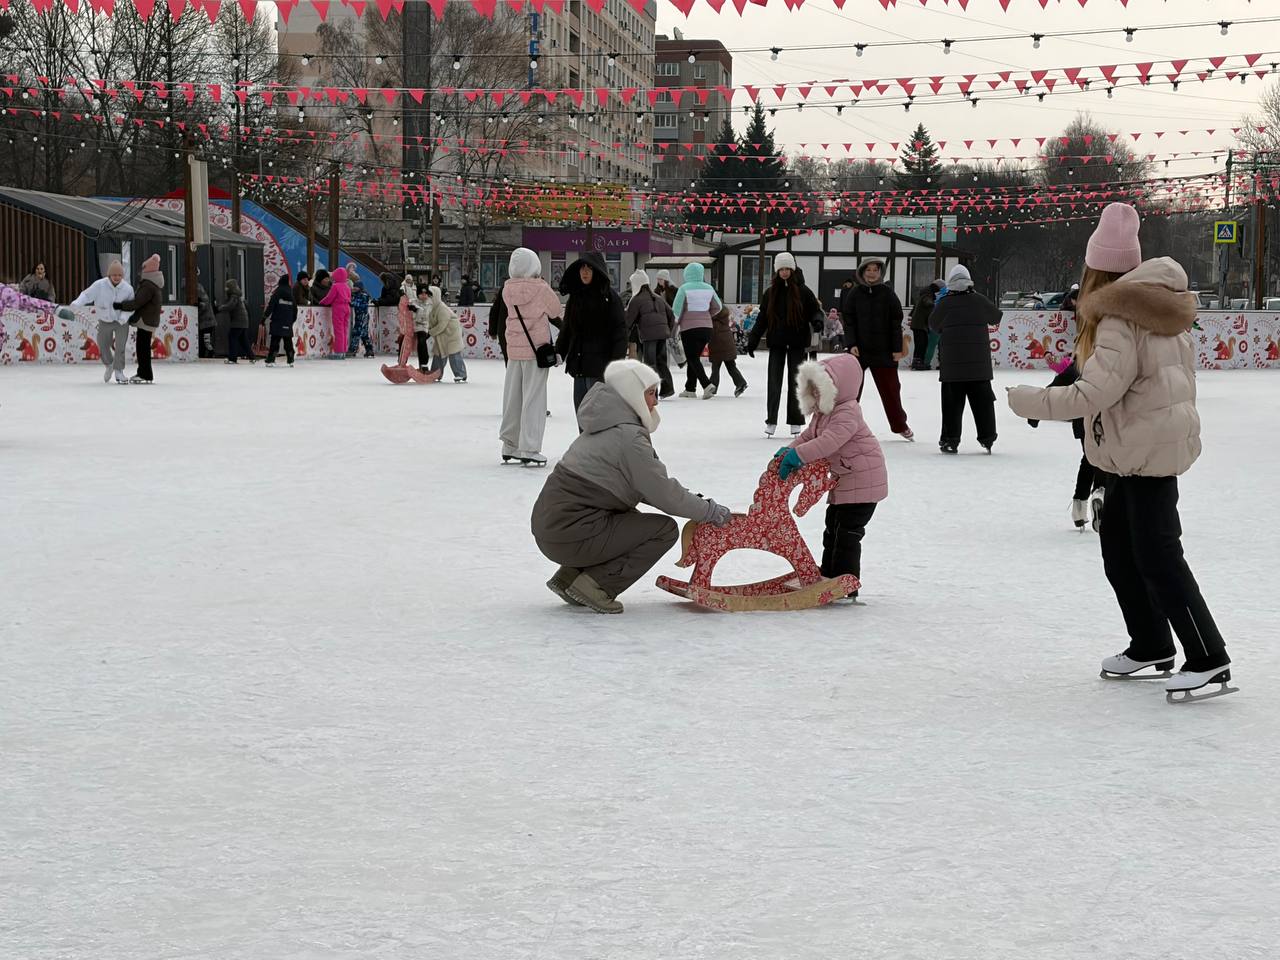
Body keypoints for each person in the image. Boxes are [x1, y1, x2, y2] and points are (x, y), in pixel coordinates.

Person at [1007, 202, 1232, 700]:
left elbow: (1094, 393)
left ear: (1096, 269)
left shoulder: (1119, 318)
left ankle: (1208, 657)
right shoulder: (1156, 307)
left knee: (1158, 557)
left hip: (1144, 451)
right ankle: (1151, 643)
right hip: (1135, 449)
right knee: (1121, 554)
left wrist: (1031, 401)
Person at [531, 359, 733, 614]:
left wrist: (696, 503)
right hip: (569, 534)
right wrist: (708, 511)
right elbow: (662, 493)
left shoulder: (605, 425)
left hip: (554, 529)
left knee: (629, 520)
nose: (656, 401)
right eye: (650, 393)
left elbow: (645, 486)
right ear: (631, 395)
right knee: (662, 530)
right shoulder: (629, 437)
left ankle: (569, 578)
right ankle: (595, 586)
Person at [773, 352, 888, 600]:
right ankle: (829, 576)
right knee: (832, 529)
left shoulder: (848, 412)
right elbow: (808, 436)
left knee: (847, 534)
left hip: (863, 482)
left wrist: (798, 457)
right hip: (845, 481)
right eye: (811, 388)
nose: (814, 394)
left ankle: (845, 584)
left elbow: (829, 442)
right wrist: (789, 450)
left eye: (819, 389)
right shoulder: (824, 413)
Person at [1026, 354, 1110, 530]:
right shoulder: (1112, 364)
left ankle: (1079, 508)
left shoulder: (1077, 367)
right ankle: (1100, 492)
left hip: (1084, 423)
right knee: (1104, 458)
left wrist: (1035, 413)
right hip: (1107, 421)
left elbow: (1052, 391)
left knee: (1089, 459)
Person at [746, 252, 820, 438]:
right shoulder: (770, 293)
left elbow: (815, 311)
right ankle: (771, 420)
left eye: (788, 269)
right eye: (781, 269)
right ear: (777, 271)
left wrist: (818, 321)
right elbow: (762, 318)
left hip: (797, 343)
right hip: (777, 343)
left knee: (797, 383)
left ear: (793, 270)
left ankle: (795, 421)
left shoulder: (803, 291)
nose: (785, 272)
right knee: (774, 383)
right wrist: (753, 339)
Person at [930, 264, 1001, 454]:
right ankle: (988, 438)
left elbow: (933, 325)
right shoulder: (979, 300)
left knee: (952, 406)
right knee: (983, 404)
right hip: (979, 368)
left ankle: (950, 440)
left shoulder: (945, 303)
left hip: (952, 368)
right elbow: (996, 316)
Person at [500, 247, 561, 466]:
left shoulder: (507, 289)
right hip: (536, 351)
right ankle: (530, 447)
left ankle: (509, 444)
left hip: (514, 349)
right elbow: (556, 311)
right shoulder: (541, 288)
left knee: (513, 397)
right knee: (534, 398)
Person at [841, 256, 913, 440]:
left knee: (891, 390)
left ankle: (900, 425)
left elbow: (896, 321)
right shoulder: (855, 294)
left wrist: (897, 348)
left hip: (884, 351)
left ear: (880, 273)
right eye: (868, 270)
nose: (872, 273)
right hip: (860, 351)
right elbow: (848, 321)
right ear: (862, 272)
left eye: (875, 270)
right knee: (851, 392)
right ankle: (847, 426)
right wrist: (851, 344)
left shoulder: (888, 293)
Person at [556, 251, 627, 413]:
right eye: (582, 268)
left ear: (598, 271)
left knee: (599, 418)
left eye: (590, 268)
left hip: (600, 369)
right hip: (579, 368)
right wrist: (559, 351)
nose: (585, 272)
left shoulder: (609, 298)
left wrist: (615, 366)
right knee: (583, 415)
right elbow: (567, 328)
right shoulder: (576, 297)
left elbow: (620, 334)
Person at [71, 260, 133, 384]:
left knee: (120, 346)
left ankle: (119, 371)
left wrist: (124, 317)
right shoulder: (99, 285)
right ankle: (109, 364)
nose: (117, 278)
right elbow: (87, 295)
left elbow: (131, 306)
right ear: (109, 275)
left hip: (121, 321)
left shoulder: (127, 289)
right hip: (105, 320)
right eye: (114, 275)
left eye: (119, 275)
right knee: (103, 345)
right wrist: (77, 303)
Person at [671, 262, 722, 399]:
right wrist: (706, 315)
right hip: (706, 329)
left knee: (692, 357)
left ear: (687, 274)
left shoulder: (684, 289)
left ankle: (707, 385)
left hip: (689, 329)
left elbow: (676, 311)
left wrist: (673, 329)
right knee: (694, 358)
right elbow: (718, 307)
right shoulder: (709, 288)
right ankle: (690, 388)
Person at [625, 268, 675, 398]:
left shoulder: (636, 300)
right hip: (662, 334)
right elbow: (671, 315)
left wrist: (623, 336)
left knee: (650, 363)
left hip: (649, 336)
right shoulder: (658, 297)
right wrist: (667, 330)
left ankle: (652, 392)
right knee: (661, 362)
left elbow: (628, 321)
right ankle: (667, 388)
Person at [113, 254, 164, 384]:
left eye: (142, 269)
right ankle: (144, 372)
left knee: (142, 348)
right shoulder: (153, 284)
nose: (140, 272)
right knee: (143, 347)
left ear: (147, 270)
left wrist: (120, 305)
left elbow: (137, 302)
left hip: (145, 320)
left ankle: (145, 373)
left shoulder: (148, 285)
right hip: (149, 319)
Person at [425, 284, 467, 383]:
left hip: (452, 334)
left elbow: (442, 325)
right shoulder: (430, 309)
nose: (428, 298)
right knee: (438, 354)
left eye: (431, 296)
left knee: (454, 355)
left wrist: (429, 333)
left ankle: (461, 374)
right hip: (441, 336)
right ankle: (435, 374)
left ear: (436, 296)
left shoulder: (442, 309)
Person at [708, 304, 748, 398]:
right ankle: (740, 383)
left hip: (718, 345)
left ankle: (712, 388)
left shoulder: (714, 319)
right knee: (730, 366)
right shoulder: (723, 317)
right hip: (727, 343)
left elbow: (712, 331)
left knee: (715, 367)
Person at [218, 278, 256, 364]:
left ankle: (232, 359)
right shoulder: (238, 296)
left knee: (232, 338)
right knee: (243, 340)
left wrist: (220, 308)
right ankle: (252, 357)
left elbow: (230, 306)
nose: (225, 289)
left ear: (231, 288)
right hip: (243, 321)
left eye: (227, 287)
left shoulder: (234, 296)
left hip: (238, 322)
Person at [909, 279, 943, 371]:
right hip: (920, 324)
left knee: (921, 343)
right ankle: (917, 363)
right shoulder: (927, 294)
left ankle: (918, 362)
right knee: (921, 344)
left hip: (919, 324)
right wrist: (933, 305)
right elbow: (926, 301)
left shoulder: (926, 292)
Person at [264, 274, 297, 367]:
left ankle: (271, 359)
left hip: (277, 320)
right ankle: (290, 359)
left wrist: (264, 317)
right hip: (287, 321)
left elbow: (271, 306)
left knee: (275, 340)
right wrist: (292, 320)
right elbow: (295, 309)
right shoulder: (291, 294)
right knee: (288, 341)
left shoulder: (277, 292)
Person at [319, 266, 352, 358]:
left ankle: (338, 352)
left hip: (338, 308)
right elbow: (349, 297)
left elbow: (329, 298)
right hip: (347, 307)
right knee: (344, 330)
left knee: (338, 330)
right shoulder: (347, 286)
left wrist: (322, 302)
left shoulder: (335, 286)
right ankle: (343, 351)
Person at [349, 278, 374, 357]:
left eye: (355, 287)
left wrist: (351, 302)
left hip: (362, 316)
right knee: (364, 334)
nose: (354, 288)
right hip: (361, 316)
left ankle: (353, 349)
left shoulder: (363, 295)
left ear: (360, 288)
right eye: (354, 287)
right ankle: (369, 350)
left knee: (356, 332)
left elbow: (359, 304)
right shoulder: (357, 295)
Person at [195, 271, 216, 359]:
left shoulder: (198, 288)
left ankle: (206, 354)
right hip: (209, 321)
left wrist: (197, 313)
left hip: (205, 322)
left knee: (204, 340)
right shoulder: (200, 288)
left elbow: (203, 306)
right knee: (206, 340)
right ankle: (209, 353)